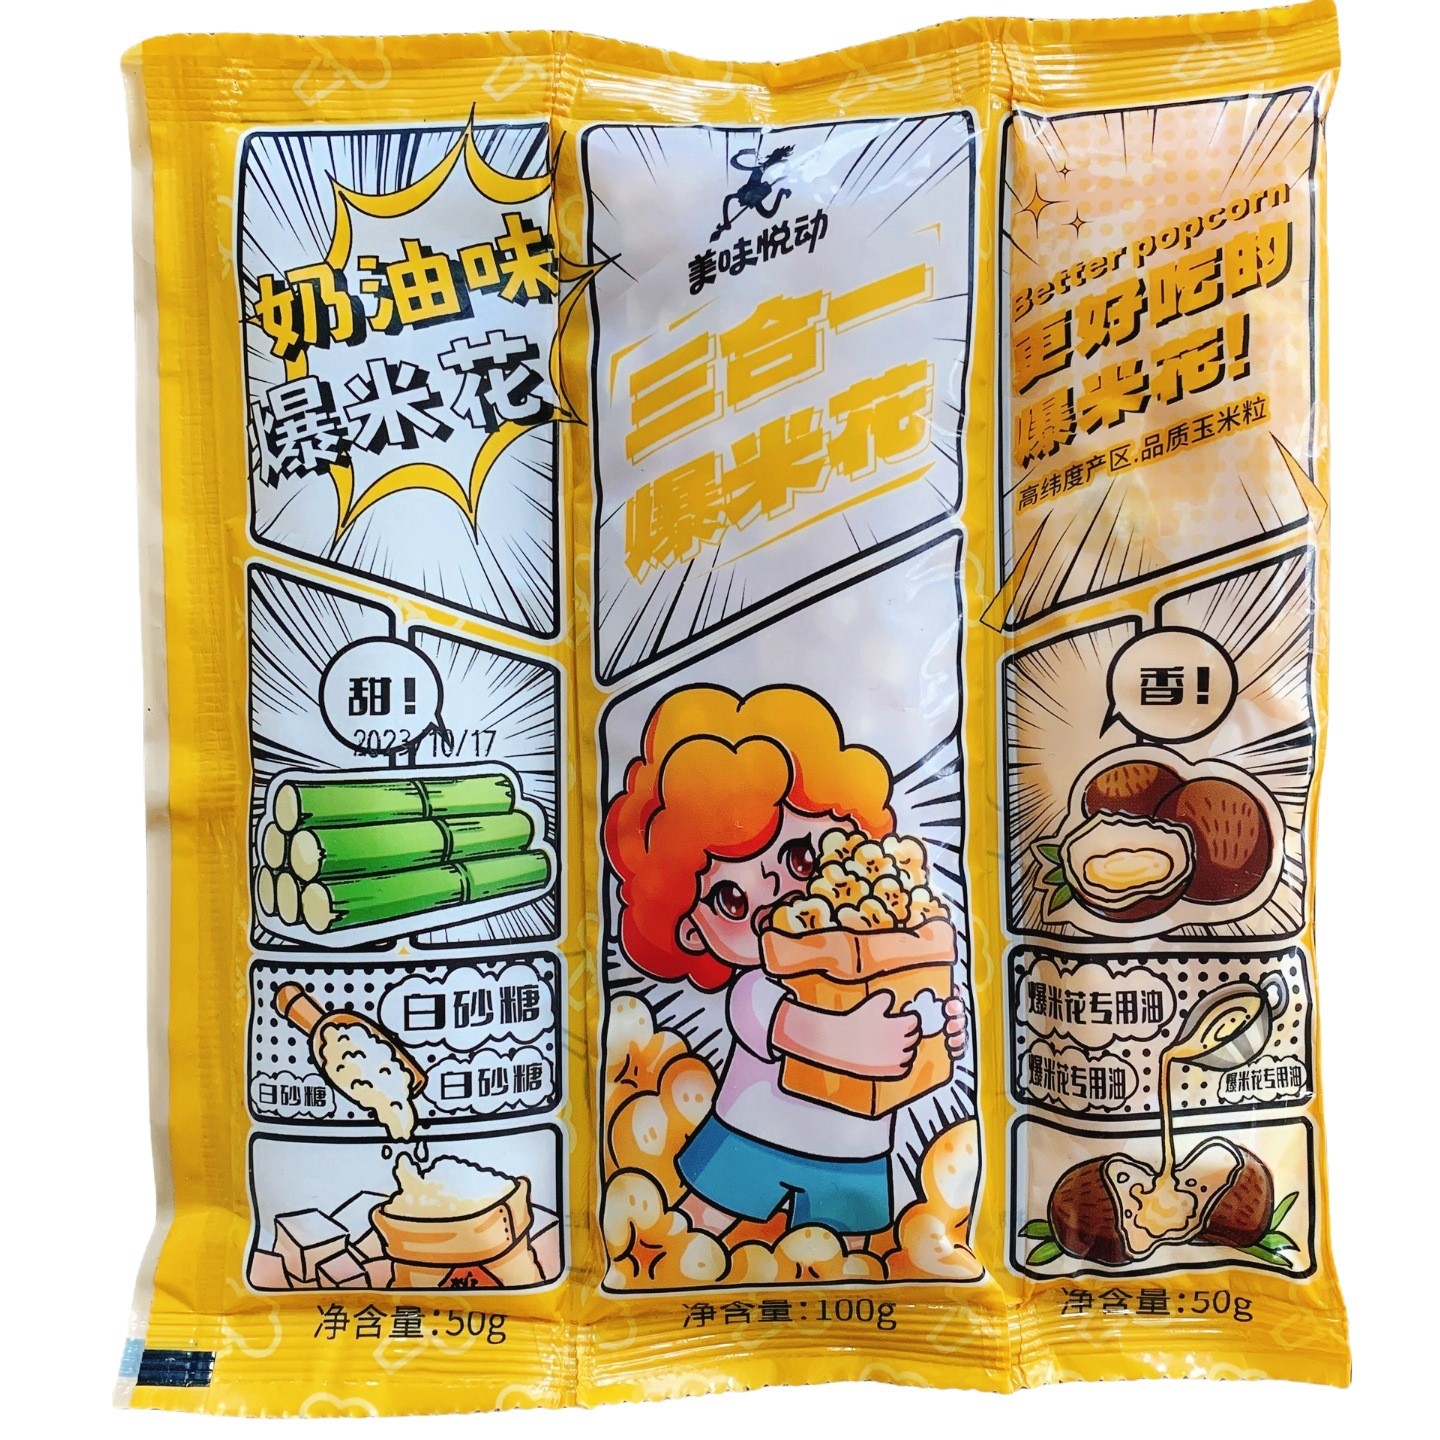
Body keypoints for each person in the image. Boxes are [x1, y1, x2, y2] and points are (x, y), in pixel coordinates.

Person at [604, 684, 967, 1238]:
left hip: (857, 1154)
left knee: (849, 1249)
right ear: (693, 932)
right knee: (700, 1230)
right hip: (751, 1136)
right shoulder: (757, 985)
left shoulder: (890, 959)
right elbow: (790, 1027)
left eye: (800, 857)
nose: (777, 894)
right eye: (731, 899)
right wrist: (849, 1040)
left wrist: (945, 1027)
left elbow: (924, 1027)